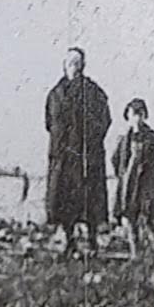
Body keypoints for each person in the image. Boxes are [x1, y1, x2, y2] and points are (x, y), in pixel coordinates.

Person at [44, 47, 112, 256]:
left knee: (89, 199)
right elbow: (49, 122)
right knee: (64, 199)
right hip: (63, 157)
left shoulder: (93, 92)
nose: (74, 67)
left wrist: (90, 140)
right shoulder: (55, 94)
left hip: (86, 156)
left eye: (77, 63)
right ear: (64, 65)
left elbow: (105, 119)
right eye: (70, 63)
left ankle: (92, 241)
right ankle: (69, 240)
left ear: (83, 66)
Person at [111, 99, 154, 258]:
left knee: (149, 220)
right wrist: (123, 175)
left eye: (140, 114)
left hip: (147, 185)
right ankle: (135, 256)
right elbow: (115, 159)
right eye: (133, 115)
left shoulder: (152, 137)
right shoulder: (124, 139)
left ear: (145, 116)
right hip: (129, 186)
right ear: (128, 117)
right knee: (130, 219)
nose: (137, 118)